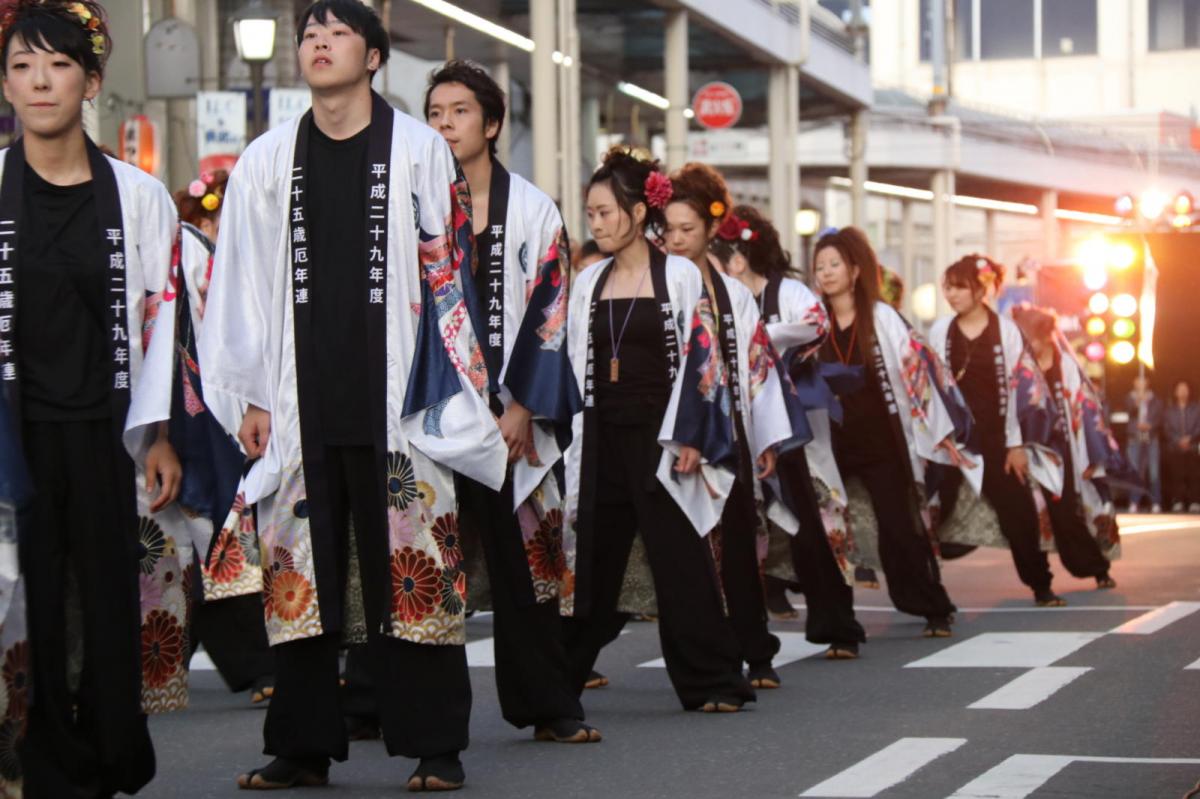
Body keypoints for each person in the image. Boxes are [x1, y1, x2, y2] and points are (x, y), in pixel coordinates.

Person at [197, 1, 508, 791]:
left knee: (416, 569)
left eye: (337, 33)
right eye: (310, 33)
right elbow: (237, 283)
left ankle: (435, 744)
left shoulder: (418, 151)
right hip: (298, 405)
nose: (319, 43)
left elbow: (450, 275)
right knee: (299, 581)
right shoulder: (268, 159)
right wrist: (250, 395)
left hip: (400, 405)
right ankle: (301, 745)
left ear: (373, 57)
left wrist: (454, 391)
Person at [0, 1, 185, 794]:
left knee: (113, 598)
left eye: (59, 65)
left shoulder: (138, 196)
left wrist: (161, 433)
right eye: (22, 66)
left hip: (110, 431)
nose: (40, 81)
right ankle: (42, 763)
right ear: (6, 84)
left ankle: (113, 754)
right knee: (29, 602)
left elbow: (165, 318)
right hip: (14, 434)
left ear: (92, 82)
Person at [423, 60, 594, 743]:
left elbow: (552, 307)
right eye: (435, 113)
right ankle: (383, 706)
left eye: (459, 111)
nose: (445, 125)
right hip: (434, 411)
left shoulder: (532, 207)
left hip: (510, 415)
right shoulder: (416, 202)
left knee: (525, 562)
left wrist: (523, 404)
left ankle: (549, 705)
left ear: (492, 124)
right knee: (420, 563)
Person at [561, 148, 755, 713]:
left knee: (680, 559)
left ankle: (714, 681)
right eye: (590, 214)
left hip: (662, 435)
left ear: (639, 211)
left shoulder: (679, 275)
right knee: (593, 561)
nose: (596, 224)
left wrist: (693, 434)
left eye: (604, 212)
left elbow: (705, 359)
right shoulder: (588, 281)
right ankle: (556, 688)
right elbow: (569, 358)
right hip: (600, 435)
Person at [712, 205, 867, 659]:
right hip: (747, 429)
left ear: (740, 257)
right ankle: (744, 633)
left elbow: (816, 325)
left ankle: (838, 624)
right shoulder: (720, 298)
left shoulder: (788, 292)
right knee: (749, 530)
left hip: (796, 431)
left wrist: (768, 338)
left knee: (814, 527)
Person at [663, 164, 793, 689]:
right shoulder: (654, 284)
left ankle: (756, 652)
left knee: (738, 543)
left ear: (712, 228)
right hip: (669, 433)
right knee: (679, 550)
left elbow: (757, 370)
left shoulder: (734, 295)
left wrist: (764, 437)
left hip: (728, 431)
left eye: (687, 229)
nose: (675, 239)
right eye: (668, 229)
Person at [812, 228, 967, 638]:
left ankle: (933, 607)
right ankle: (836, 624)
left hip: (882, 443)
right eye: (820, 266)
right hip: (832, 442)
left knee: (899, 527)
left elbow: (918, 373)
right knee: (827, 529)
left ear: (855, 270)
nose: (826, 273)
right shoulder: (813, 321)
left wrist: (933, 430)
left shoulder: (881, 317)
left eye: (834, 264)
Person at [171, 170, 275, 704]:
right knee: (203, 535)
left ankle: (256, 663)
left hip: (201, 401)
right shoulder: (190, 247)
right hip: (190, 400)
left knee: (208, 533)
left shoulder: (186, 245)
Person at [930, 255, 1069, 607]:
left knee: (1018, 513)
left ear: (981, 290)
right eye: (948, 287)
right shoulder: (940, 330)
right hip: (953, 439)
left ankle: (1041, 585)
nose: (951, 294)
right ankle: (928, 594)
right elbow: (931, 387)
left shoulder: (1005, 331)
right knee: (930, 511)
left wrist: (1015, 445)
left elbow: (1020, 389)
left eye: (959, 287)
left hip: (997, 439)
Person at [1012, 306, 1119, 589]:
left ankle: (1097, 567)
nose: (1026, 344)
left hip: (1064, 449)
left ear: (1046, 336)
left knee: (1066, 514)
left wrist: (1091, 456)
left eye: (1030, 338)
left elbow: (1087, 411)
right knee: (1030, 515)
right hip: (1030, 448)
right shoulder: (1021, 367)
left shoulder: (1067, 366)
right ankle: (1040, 580)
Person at [1124, 375, 1163, 513]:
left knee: (1153, 471)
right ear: (1134, 382)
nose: (1140, 383)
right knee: (1135, 470)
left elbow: (1159, 417)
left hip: (1151, 437)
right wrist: (1137, 402)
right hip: (1135, 438)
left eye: (1143, 380)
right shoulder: (1129, 398)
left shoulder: (1155, 399)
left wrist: (1150, 425)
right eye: (1138, 380)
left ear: (1148, 382)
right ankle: (1134, 501)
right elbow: (1128, 412)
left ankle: (1155, 501)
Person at [1163, 379, 1200, 513]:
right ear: (1175, 392)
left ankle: (1195, 501)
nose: (1183, 391)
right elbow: (1167, 429)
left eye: (1185, 389)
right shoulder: (1169, 410)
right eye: (1180, 389)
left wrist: (1190, 438)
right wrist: (1178, 440)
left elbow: (1199, 426)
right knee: (1176, 474)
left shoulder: (1196, 408)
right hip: (1175, 447)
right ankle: (1178, 501)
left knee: (1194, 474)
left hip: (1193, 446)